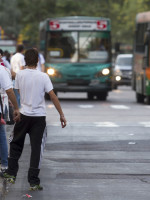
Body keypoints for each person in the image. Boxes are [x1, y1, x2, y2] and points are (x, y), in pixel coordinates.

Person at [3, 48, 67, 191]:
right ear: (38, 61)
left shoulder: (20, 75)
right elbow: (53, 96)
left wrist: (17, 109)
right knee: (37, 149)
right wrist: (61, 114)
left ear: (25, 60)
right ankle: (33, 181)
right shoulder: (43, 76)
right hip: (39, 118)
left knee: (15, 144)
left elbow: (18, 92)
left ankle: (12, 174)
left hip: (23, 115)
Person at [0, 63, 20, 174]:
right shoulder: (2, 70)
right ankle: (4, 165)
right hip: (2, 105)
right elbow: (9, 90)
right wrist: (16, 107)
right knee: (2, 135)